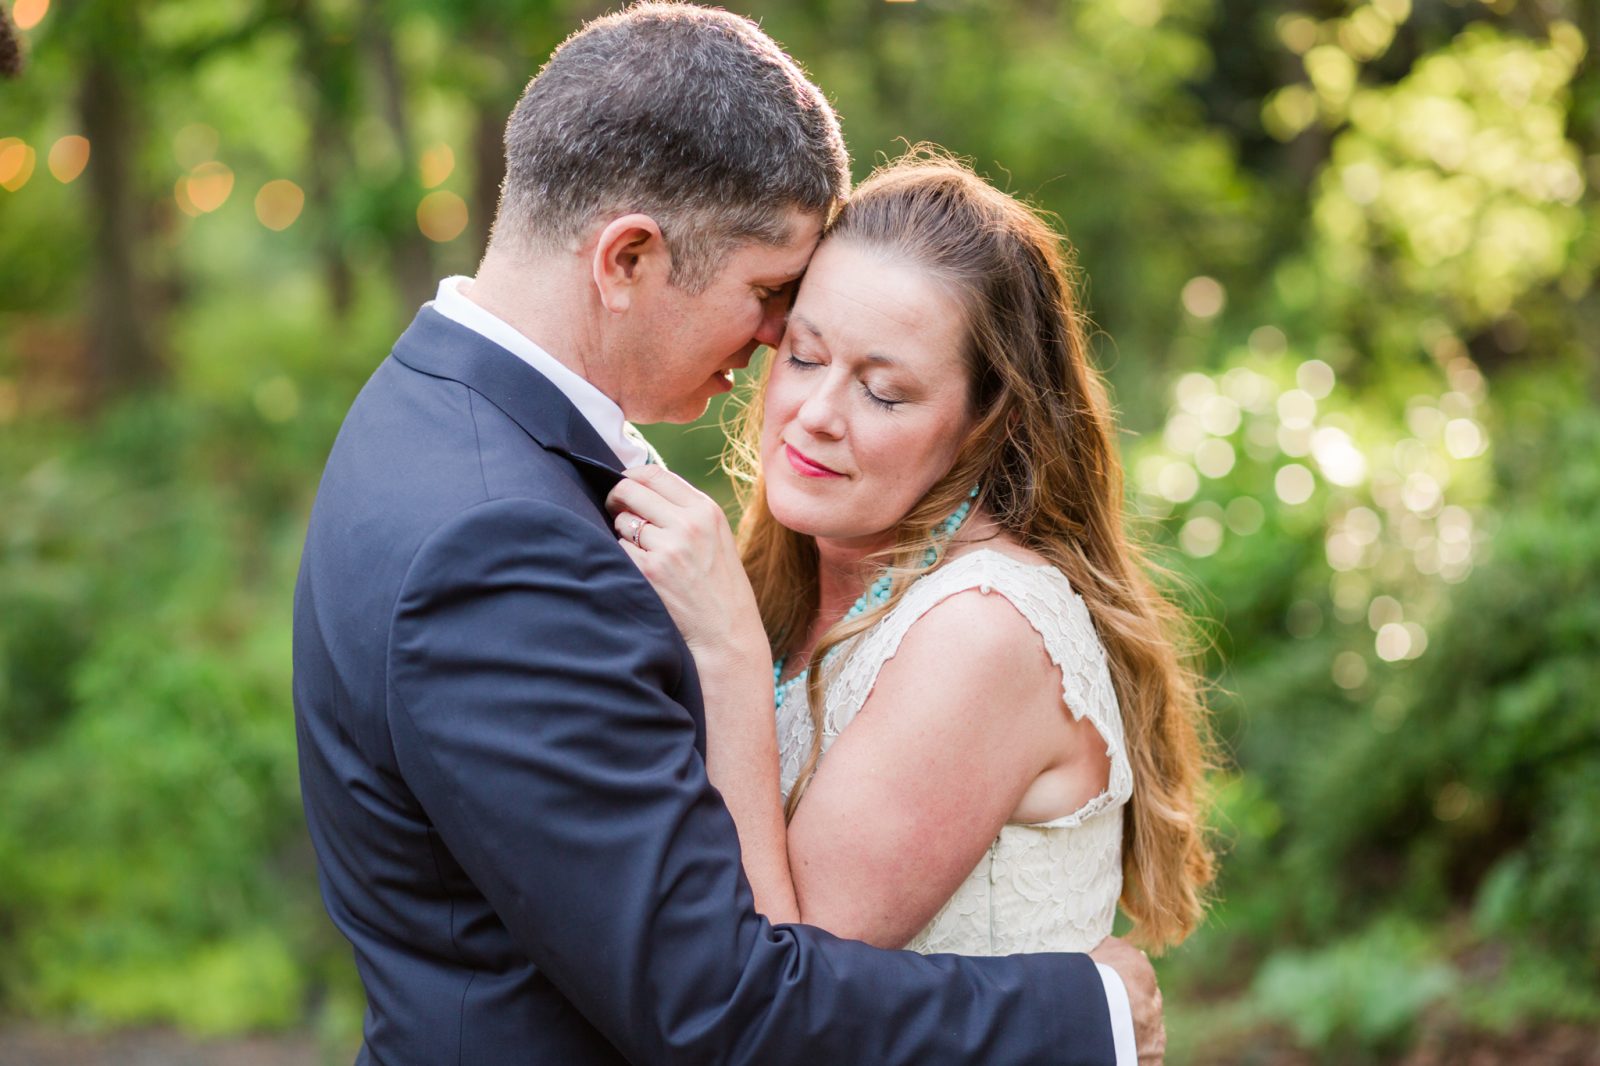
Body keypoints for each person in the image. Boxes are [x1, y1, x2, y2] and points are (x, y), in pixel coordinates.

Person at [293, 4, 1160, 1065]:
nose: (769, 358)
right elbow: (724, 1002)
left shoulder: (417, 416)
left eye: (882, 386)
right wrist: (1085, 1015)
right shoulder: (507, 538)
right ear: (628, 259)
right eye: (778, 314)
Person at [607, 154, 1214, 965]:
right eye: (805, 356)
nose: (816, 414)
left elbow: (781, 988)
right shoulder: (792, 581)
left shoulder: (983, 633)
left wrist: (726, 653)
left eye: (883, 392)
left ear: (984, 420)